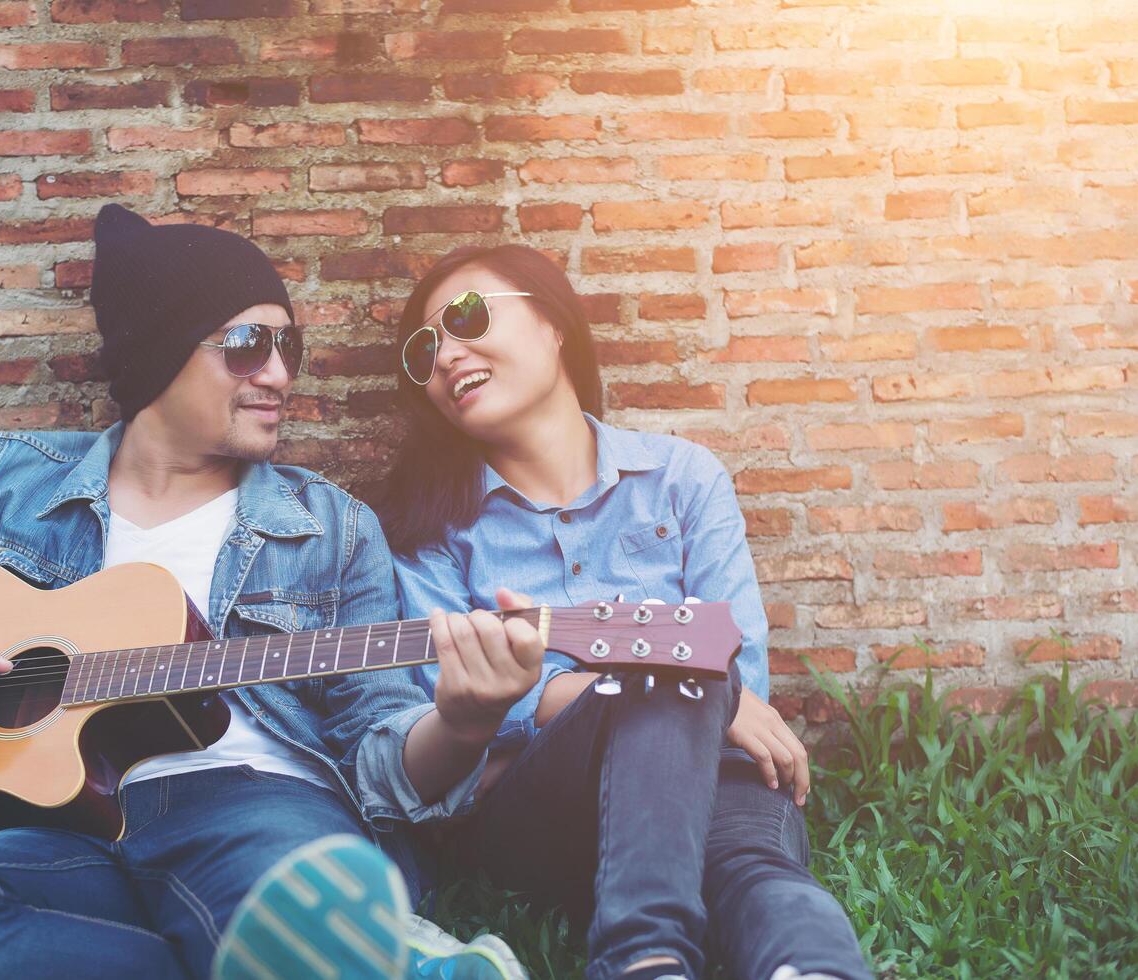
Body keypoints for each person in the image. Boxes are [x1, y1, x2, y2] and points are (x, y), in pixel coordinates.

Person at [0, 206, 533, 980]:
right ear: (158, 352)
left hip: (252, 810)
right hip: (58, 825)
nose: (279, 374)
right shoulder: (5, 480)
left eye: (290, 346)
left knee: (270, 889)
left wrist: (461, 722)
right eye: (247, 345)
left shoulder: (332, 526)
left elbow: (376, 758)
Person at [370, 244, 873, 980]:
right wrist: (669, 681)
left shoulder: (681, 479)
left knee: (752, 867)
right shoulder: (430, 529)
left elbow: (737, 666)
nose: (446, 354)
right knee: (668, 679)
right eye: (426, 350)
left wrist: (563, 690)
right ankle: (641, 952)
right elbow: (454, 708)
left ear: (553, 323)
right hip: (545, 811)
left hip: (712, 777)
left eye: (466, 318)